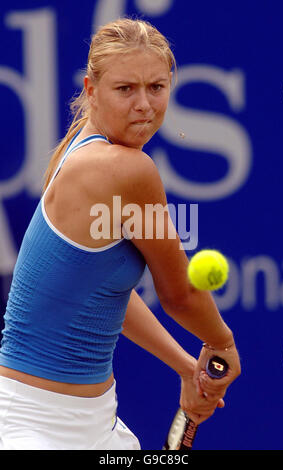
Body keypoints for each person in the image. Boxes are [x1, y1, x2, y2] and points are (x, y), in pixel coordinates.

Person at [0, 18, 240, 450]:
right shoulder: (126, 169)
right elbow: (179, 295)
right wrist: (221, 342)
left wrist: (188, 368)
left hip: (98, 424)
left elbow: (100, 290)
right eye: (125, 89)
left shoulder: (80, 152)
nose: (145, 104)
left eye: (156, 87)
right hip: (30, 427)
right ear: (91, 90)